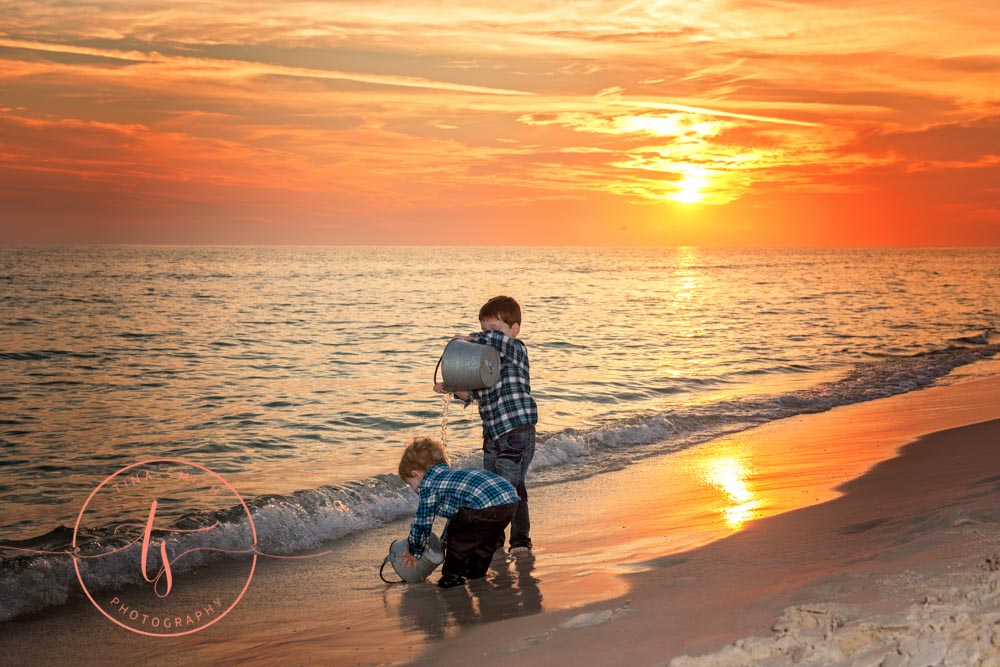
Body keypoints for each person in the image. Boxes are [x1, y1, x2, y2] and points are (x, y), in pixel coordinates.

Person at [434, 295, 538, 555]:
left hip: (517, 432)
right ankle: (495, 541)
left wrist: (470, 338)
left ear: (514, 330)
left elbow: (497, 341)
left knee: (509, 488)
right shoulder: (488, 364)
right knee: (495, 489)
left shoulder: (516, 349)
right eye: (484, 330)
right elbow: (477, 394)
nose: (488, 335)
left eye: (495, 328)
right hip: (493, 435)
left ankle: (520, 541)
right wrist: (453, 389)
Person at [398, 436, 519, 589]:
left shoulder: (428, 484)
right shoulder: (449, 475)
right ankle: (476, 572)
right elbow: (457, 516)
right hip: (509, 500)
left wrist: (414, 551)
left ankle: (451, 576)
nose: (413, 489)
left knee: (458, 542)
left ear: (417, 475)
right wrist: (444, 540)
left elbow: (422, 522)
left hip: (485, 506)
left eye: (410, 484)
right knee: (486, 543)